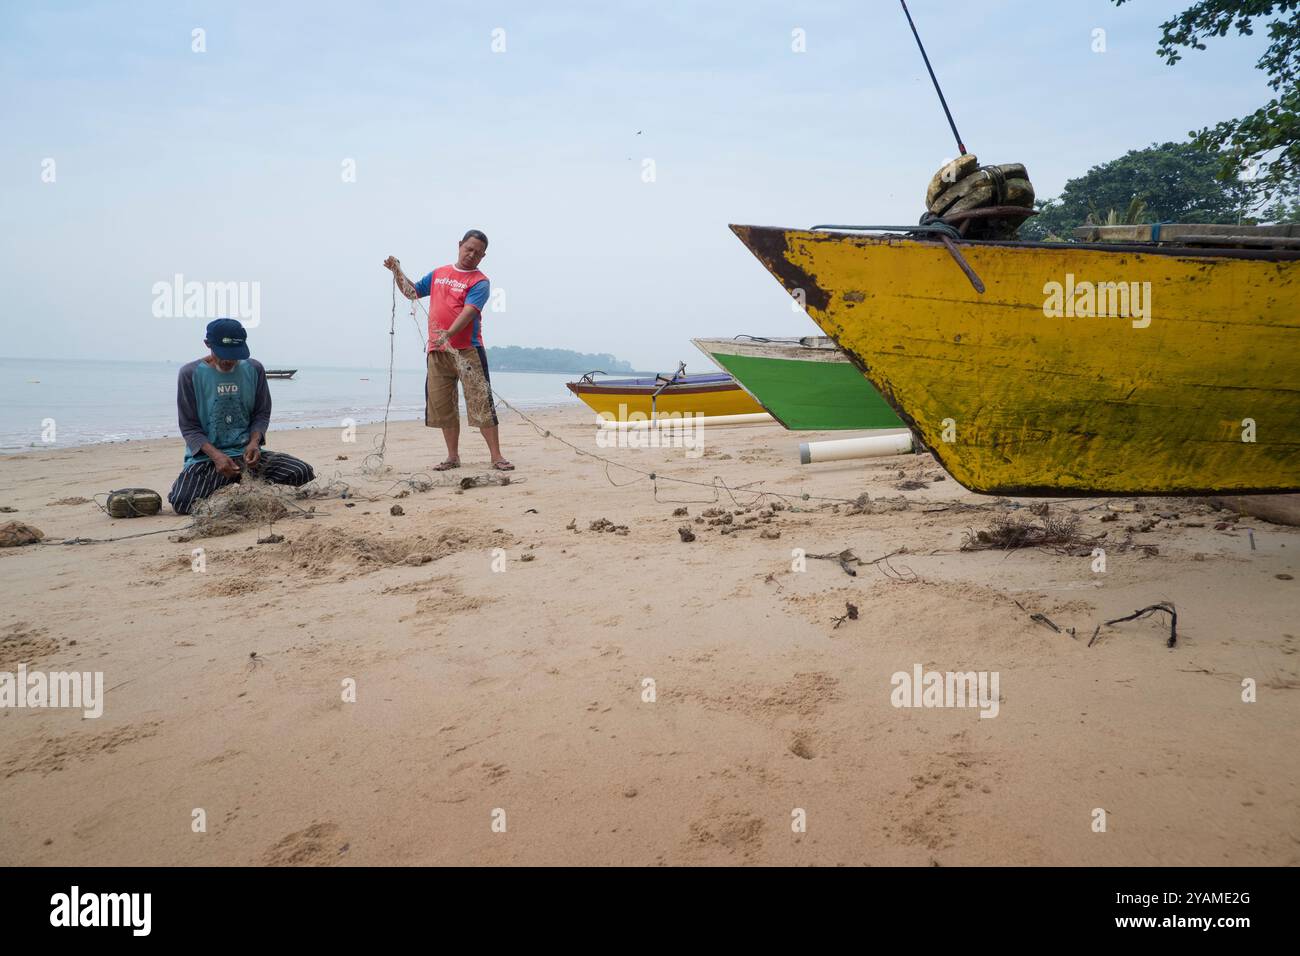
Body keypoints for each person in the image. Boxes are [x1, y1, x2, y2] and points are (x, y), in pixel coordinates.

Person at [382, 229, 513, 471]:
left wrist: (449, 334)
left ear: (483, 257)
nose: (471, 255)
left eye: (477, 253)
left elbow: (469, 311)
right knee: (443, 405)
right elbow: (412, 292)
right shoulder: (439, 273)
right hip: (436, 351)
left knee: (480, 403)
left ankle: (496, 456)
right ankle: (453, 456)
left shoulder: (480, 281)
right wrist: (396, 271)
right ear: (460, 245)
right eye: (468, 249)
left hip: (467, 351)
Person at [167, 318, 316, 514]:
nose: (229, 361)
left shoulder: (254, 369)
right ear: (208, 344)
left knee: (302, 473)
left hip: (247, 455)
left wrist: (254, 443)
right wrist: (217, 456)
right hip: (208, 460)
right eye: (224, 355)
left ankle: (239, 481)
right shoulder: (190, 374)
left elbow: (261, 413)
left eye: (234, 355)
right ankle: (229, 482)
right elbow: (189, 427)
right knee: (182, 502)